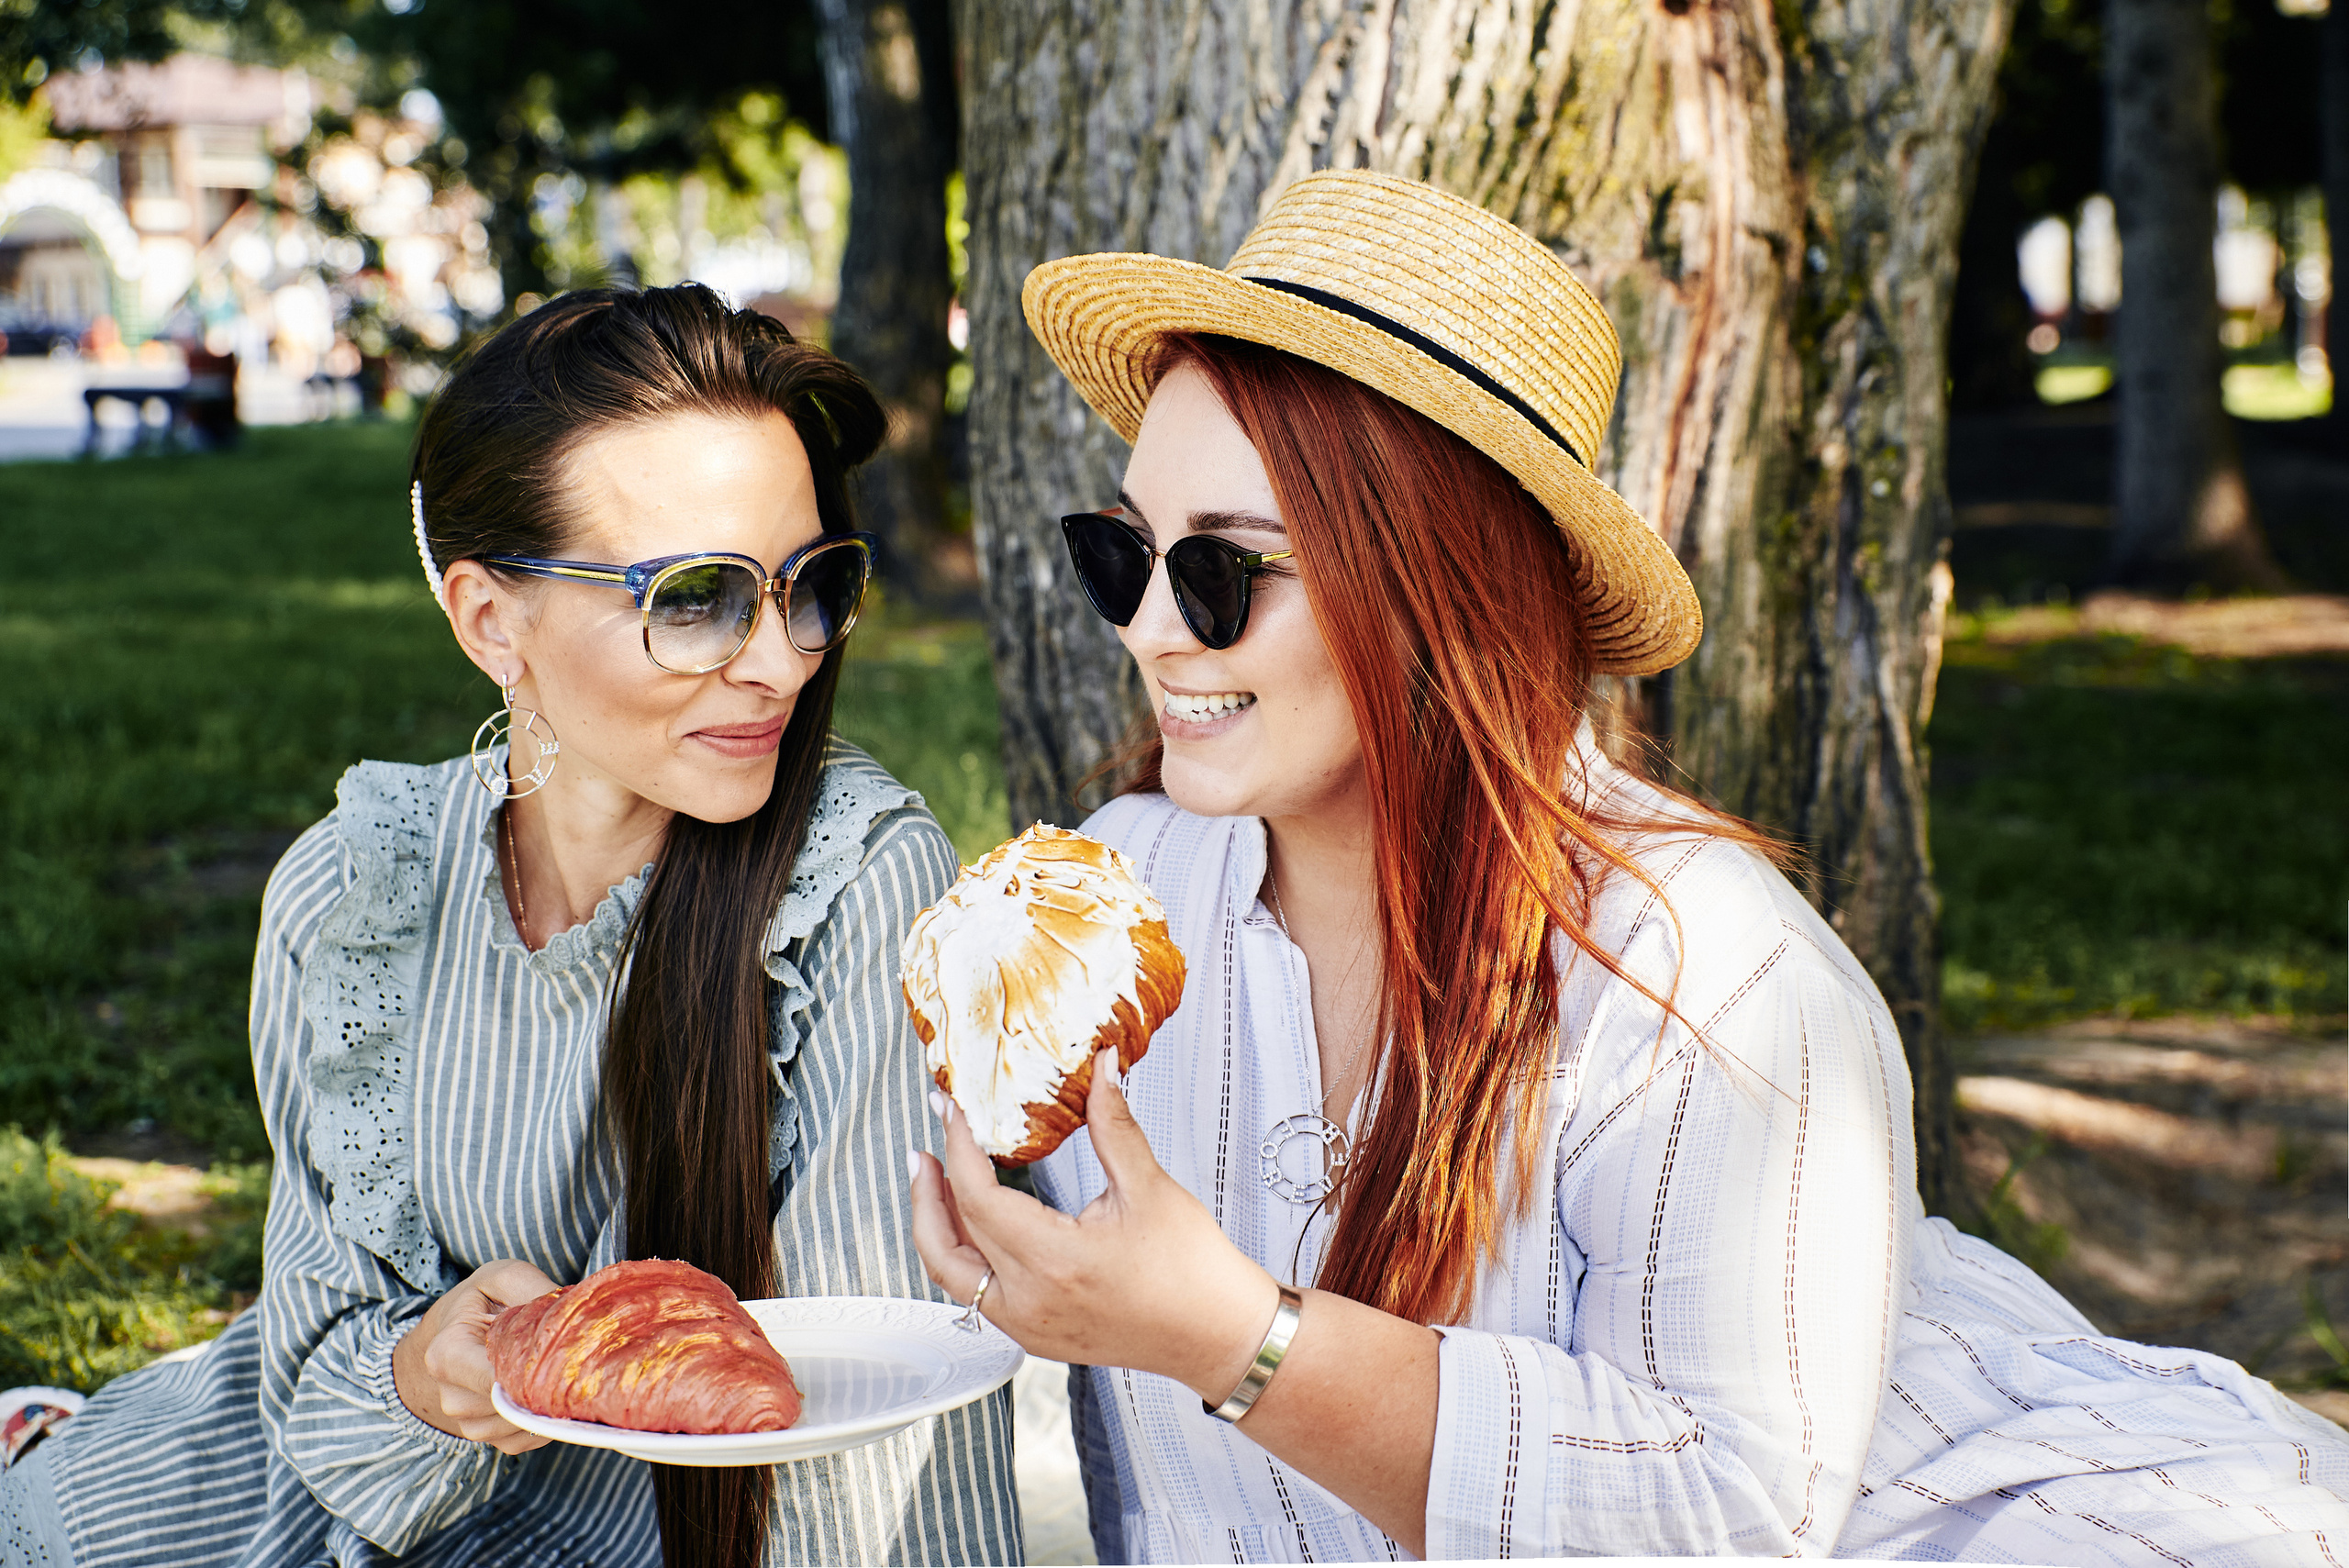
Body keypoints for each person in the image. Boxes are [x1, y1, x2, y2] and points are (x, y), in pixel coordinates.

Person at [907, 171, 2349, 1564]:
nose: (1150, 629)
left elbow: (1729, 1519)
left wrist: (1237, 1336)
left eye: (1220, 573)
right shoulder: (1119, 893)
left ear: (1434, 591)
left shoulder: (1711, 969)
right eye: (1124, 554)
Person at [2, 285, 1020, 1568]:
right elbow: (318, 1368)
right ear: (492, 620)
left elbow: (886, 1441)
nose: (779, 659)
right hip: (252, 1502)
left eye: (810, 584)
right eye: (697, 596)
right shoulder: (352, 893)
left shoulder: (857, 887)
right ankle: (50, 1446)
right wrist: (427, 1378)